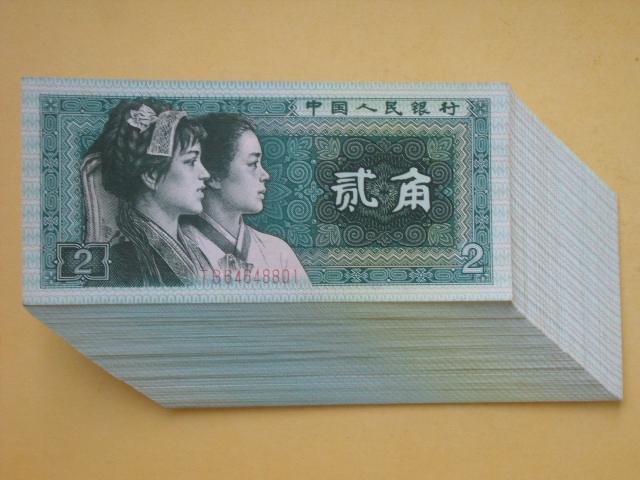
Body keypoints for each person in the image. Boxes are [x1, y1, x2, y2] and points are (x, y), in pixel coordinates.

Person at [86, 98, 213, 286]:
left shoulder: (194, 249)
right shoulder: (120, 264)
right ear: (152, 176)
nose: (205, 174)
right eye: (190, 161)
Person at [182, 113, 307, 284]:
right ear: (214, 177)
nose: (265, 175)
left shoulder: (278, 253)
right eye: (253, 164)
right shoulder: (178, 249)